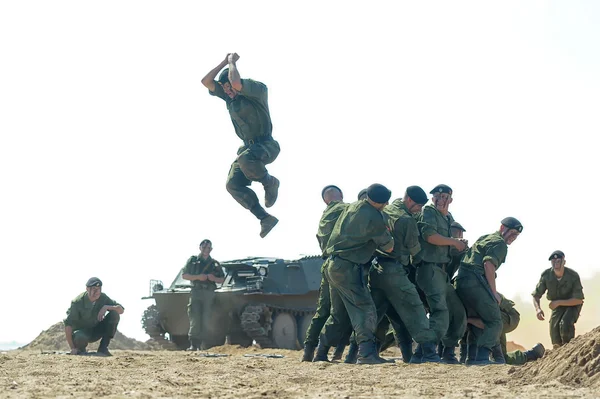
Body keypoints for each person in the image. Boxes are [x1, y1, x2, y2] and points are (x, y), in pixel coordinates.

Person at [201, 53, 280, 238]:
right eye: (225, 89)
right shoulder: (230, 97)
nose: (228, 91)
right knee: (232, 184)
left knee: (245, 158)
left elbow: (236, 84)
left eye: (229, 88)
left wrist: (231, 62)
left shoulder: (256, 90)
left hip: (266, 145)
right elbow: (205, 81)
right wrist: (222, 61)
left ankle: (270, 182)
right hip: (247, 149)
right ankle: (264, 218)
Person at [317, 183, 394, 364]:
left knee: (337, 314)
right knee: (365, 308)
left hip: (332, 264)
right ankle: (366, 353)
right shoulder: (374, 217)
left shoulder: (353, 206)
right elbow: (389, 247)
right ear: (382, 202)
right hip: (348, 268)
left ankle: (320, 352)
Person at [370, 186, 439, 364]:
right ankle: (430, 353)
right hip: (395, 270)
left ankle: (358, 352)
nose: (420, 210)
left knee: (375, 314)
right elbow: (415, 250)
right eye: (418, 206)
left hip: (376, 268)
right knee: (415, 309)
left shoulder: (389, 208)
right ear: (409, 200)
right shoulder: (406, 220)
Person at [455, 217, 523, 365]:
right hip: (476, 282)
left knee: (475, 317)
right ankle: (482, 357)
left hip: (461, 281)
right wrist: (494, 293)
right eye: (512, 233)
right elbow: (489, 265)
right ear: (502, 228)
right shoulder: (500, 243)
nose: (513, 238)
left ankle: (471, 357)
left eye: (516, 236)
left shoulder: (485, 238)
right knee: (495, 322)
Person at [414, 184, 467, 364]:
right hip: (429, 269)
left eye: (445, 197)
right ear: (432, 198)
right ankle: (426, 352)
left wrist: (458, 244)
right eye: (438, 196)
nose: (441, 200)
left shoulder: (447, 217)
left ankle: (448, 351)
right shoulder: (428, 212)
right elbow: (429, 236)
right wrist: (453, 242)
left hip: (441, 273)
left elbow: (446, 246)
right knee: (440, 312)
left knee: (458, 313)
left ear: (450, 200)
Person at [302, 185, 348, 362]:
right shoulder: (343, 209)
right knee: (340, 312)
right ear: (341, 196)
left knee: (322, 311)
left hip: (327, 265)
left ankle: (308, 350)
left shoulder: (325, 216)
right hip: (342, 265)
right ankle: (325, 350)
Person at [461, 294, 545, 365]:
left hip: (507, 317)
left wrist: (468, 320)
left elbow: (489, 323)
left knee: (500, 359)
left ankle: (529, 355)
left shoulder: (475, 295)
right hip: (492, 319)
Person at [532, 250, 584, 348]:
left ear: (564, 262)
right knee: (554, 333)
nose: (556, 263)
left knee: (565, 324)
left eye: (559, 261)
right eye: (553, 261)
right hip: (557, 307)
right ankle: (559, 355)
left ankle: (569, 349)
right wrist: (538, 309)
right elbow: (536, 295)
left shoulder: (573, 275)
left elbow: (579, 299)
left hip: (572, 304)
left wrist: (559, 302)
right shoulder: (546, 276)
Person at [181, 239, 225, 350]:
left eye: (208, 248)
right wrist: (198, 277)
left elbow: (222, 279)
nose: (206, 250)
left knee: (207, 319)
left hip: (209, 293)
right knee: (195, 318)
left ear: (211, 249)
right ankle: (194, 344)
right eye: (204, 247)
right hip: (196, 292)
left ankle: (205, 345)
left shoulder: (214, 264)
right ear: (200, 248)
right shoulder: (192, 261)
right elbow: (184, 275)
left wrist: (213, 278)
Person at [64, 277, 124, 356]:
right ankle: (80, 350)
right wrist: (72, 348)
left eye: (99, 289)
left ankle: (103, 348)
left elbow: (121, 310)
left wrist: (107, 307)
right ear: (87, 289)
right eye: (94, 289)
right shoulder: (77, 302)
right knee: (79, 336)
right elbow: (68, 325)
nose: (97, 292)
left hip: (96, 330)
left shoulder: (103, 298)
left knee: (114, 314)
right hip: (82, 333)